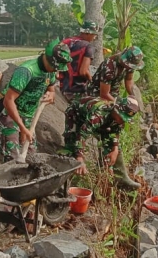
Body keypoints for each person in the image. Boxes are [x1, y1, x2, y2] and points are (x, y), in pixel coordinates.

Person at [0, 39, 72, 162]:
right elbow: (8, 101)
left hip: (29, 116)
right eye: (55, 68)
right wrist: (22, 128)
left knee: (31, 157)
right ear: (48, 59)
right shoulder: (26, 71)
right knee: (12, 157)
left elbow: (51, 89)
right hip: (10, 113)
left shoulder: (50, 71)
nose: (57, 73)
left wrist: (51, 94)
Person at [84, 46, 145, 189]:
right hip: (98, 98)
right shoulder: (109, 65)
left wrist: (132, 97)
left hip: (114, 98)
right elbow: (104, 93)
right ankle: (105, 174)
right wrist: (119, 107)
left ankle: (119, 176)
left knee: (113, 133)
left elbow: (129, 81)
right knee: (104, 133)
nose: (128, 68)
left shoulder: (130, 64)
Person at [62, 95, 140, 176]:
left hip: (102, 122)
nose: (122, 121)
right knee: (72, 144)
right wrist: (80, 158)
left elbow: (115, 132)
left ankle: (103, 172)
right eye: (121, 118)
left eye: (124, 119)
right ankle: (68, 170)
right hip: (76, 114)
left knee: (110, 147)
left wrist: (115, 149)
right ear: (116, 110)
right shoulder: (99, 116)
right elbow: (82, 134)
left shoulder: (119, 120)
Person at [59, 20, 99, 101]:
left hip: (63, 85)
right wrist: (92, 80)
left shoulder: (67, 41)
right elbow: (83, 72)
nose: (95, 37)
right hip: (76, 90)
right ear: (88, 33)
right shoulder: (88, 46)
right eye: (94, 34)